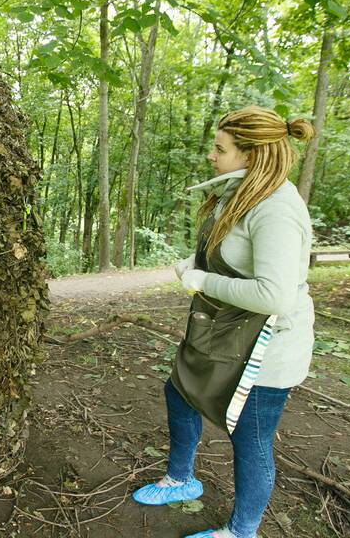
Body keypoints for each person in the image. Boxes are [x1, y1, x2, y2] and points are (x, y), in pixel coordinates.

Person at [132, 106, 316, 538]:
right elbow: (231, 251)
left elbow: (275, 294)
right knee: (179, 391)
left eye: (220, 148)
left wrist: (203, 280)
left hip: (267, 346)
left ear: (250, 155)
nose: (211, 156)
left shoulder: (276, 210)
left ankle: (242, 530)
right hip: (221, 330)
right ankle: (181, 480)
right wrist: (196, 262)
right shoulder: (240, 192)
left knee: (249, 438)